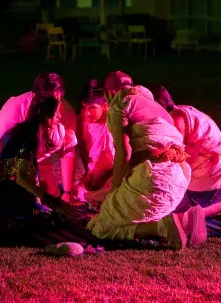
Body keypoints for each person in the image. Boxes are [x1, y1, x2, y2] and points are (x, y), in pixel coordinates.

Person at [87, 71, 207, 250]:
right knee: (131, 215)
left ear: (109, 93)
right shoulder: (158, 109)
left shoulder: (120, 104)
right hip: (179, 179)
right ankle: (183, 219)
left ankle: (161, 228)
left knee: (100, 227)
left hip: (154, 178)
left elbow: (125, 153)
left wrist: (113, 191)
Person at [0, 97, 76, 244]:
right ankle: (0, 226)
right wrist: (55, 202)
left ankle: (1, 223)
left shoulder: (25, 131)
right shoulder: (28, 136)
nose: (60, 117)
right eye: (56, 114)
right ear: (46, 116)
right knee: (48, 219)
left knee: (44, 212)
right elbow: (22, 179)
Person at [147, 84, 221, 222]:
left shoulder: (176, 124)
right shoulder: (179, 112)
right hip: (218, 174)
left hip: (217, 179)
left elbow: (172, 163)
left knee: (169, 216)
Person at [0, 72, 77, 203]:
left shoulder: (65, 115)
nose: (57, 114)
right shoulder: (17, 115)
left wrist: (67, 192)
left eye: (57, 103)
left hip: (32, 163)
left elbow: (68, 151)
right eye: (49, 106)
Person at [75, 80, 114, 203]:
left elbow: (122, 157)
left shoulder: (113, 123)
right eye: (83, 107)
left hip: (113, 174)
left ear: (104, 106)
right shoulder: (81, 121)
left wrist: (103, 177)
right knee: (77, 192)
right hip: (93, 176)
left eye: (92, 108)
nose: (86, 112)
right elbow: (83, 148)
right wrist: (88, 173)